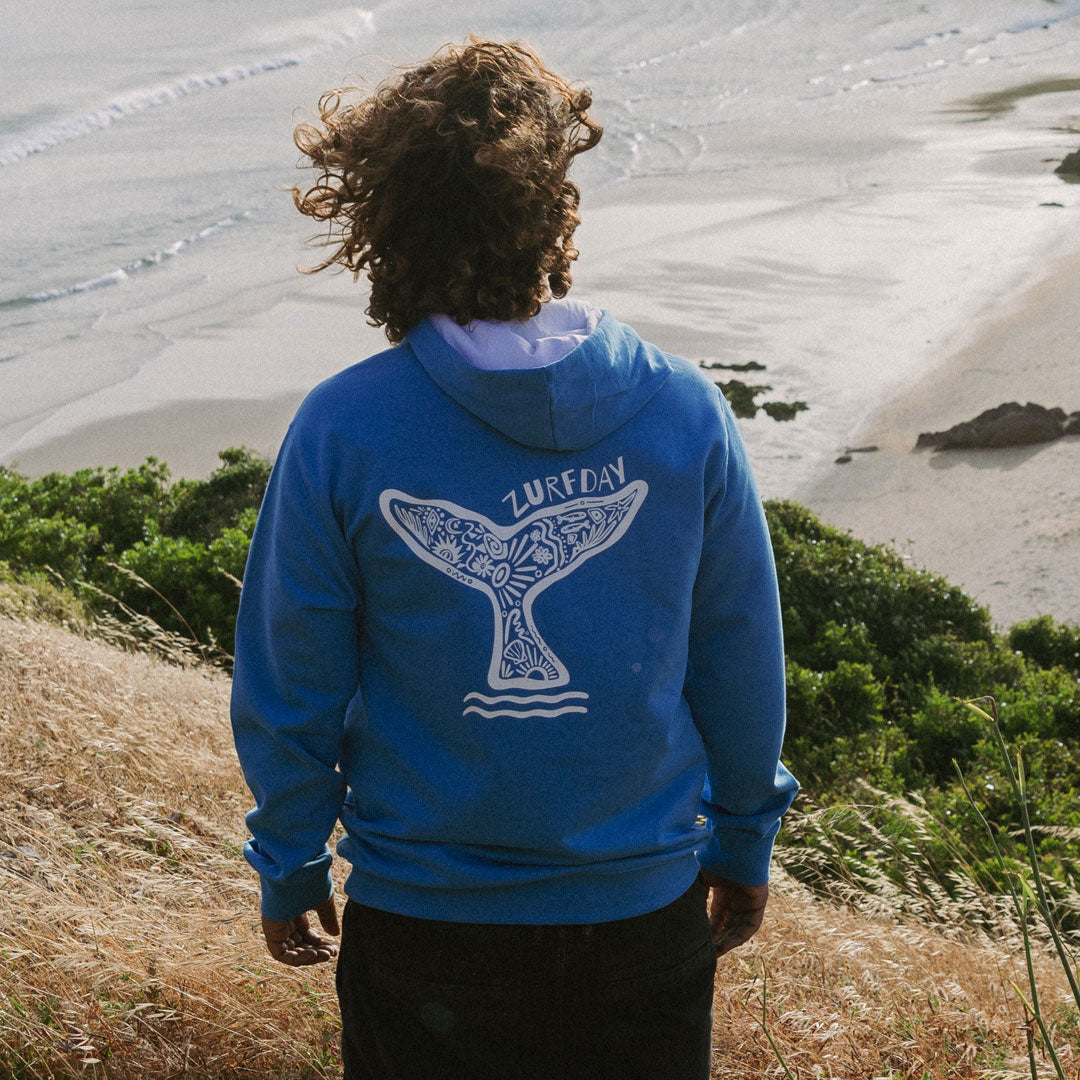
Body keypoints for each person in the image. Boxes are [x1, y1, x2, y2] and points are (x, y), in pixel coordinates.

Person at [230, 37, 799, 1080]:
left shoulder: (345, 427)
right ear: (555, 200)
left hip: (426, 925)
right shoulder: (683, 410)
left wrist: (291, 858)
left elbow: (291, 677)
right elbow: (738, 656)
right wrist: (744, 836)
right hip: (640, 915)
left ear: (379, 222)